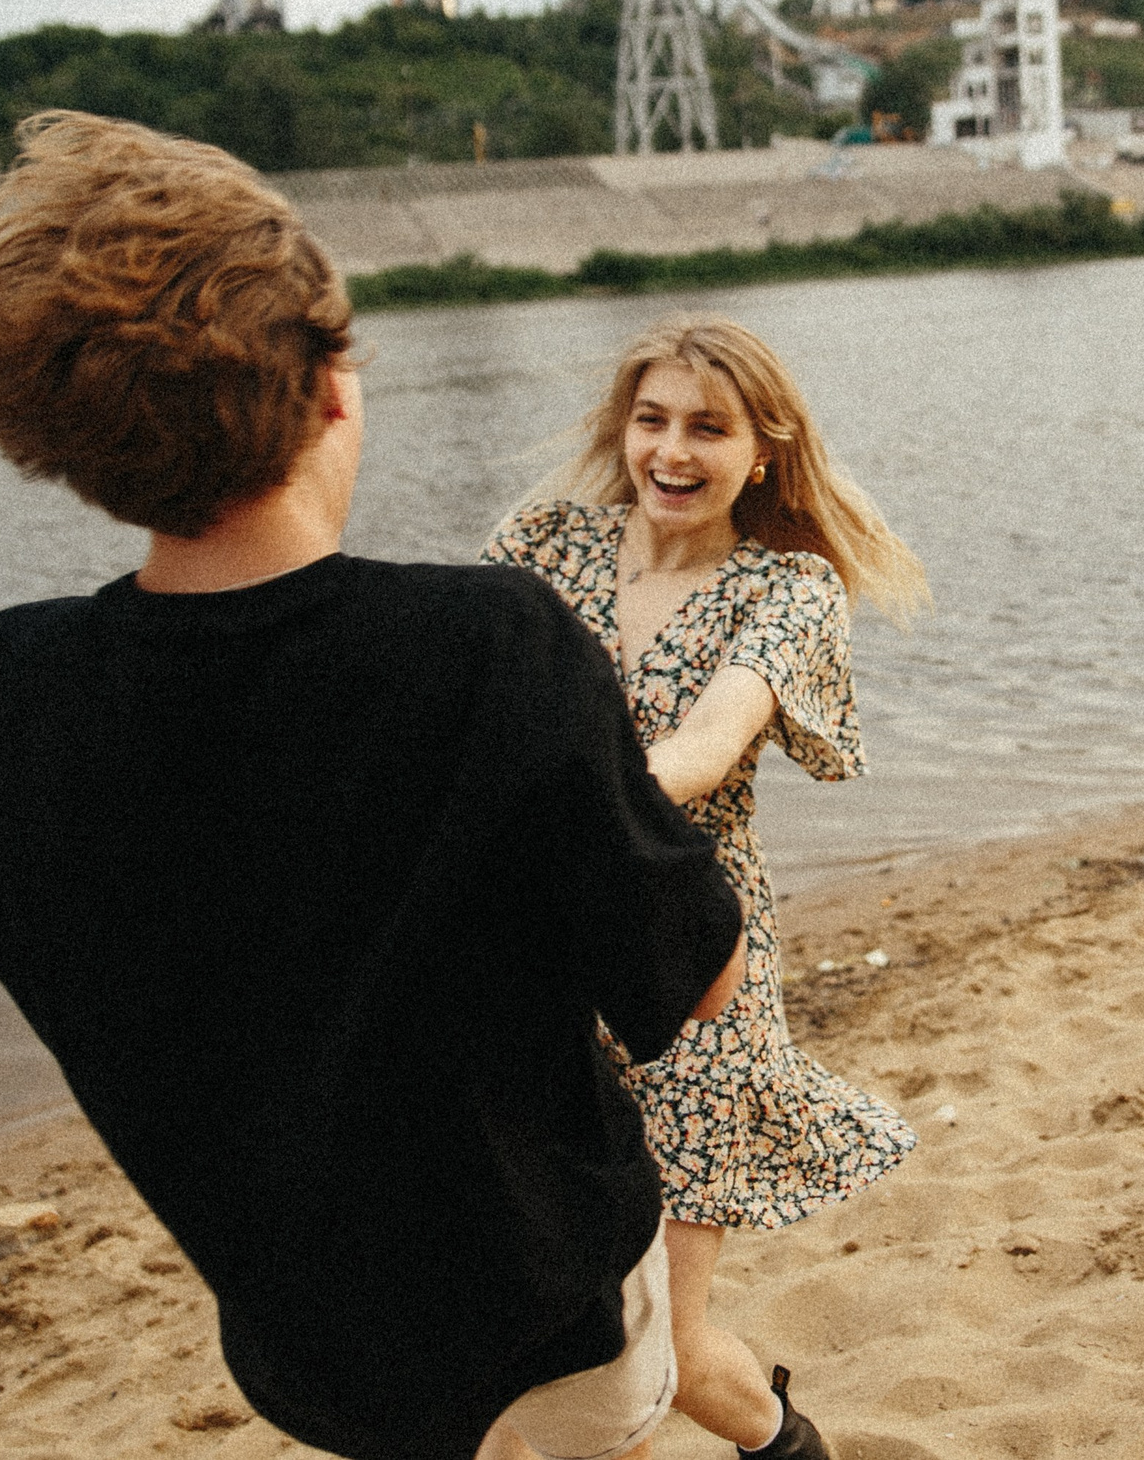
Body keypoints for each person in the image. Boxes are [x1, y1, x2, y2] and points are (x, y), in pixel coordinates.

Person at [0, 111, 746, 1460]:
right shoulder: (488, 642)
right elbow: (690, 982)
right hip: (544, 1317)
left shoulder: (6, 688)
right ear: (328, 387)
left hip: (297, 1344)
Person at [485, 314, 931, 1460]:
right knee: (543, 1327)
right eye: (651, 419)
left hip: (693, 969)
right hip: (532, 967)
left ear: (764, 449)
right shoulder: (539, 547)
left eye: (707, 426)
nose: (671, 450)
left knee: (663, 1348)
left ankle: (790, 1447)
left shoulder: (787, 589)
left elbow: (700, 752)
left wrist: (531, 805)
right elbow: (452, 714)